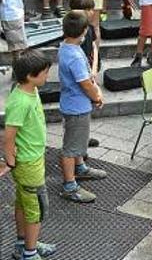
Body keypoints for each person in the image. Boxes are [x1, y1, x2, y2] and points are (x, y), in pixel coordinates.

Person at [3, 49, 57, 260]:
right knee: (36, 208)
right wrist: (10, 160)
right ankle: (30, 253)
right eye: (44, 73)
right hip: (28, 163)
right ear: (30, 76)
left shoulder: (29, 90)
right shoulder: (21, 101)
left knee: (22, 203)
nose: (47, 76)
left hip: (32, 158)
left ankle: (22, 244)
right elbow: (8, 135)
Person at [58, 11, 107, 203]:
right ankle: (70, 186)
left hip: (72, 103)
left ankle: (80, 168)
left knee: (77, 140)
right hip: (77, 107)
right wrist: (97, 96)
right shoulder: (75, 57)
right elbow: (85, 83)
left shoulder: (66, 46)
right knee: (71, 147)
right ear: (84, 31)